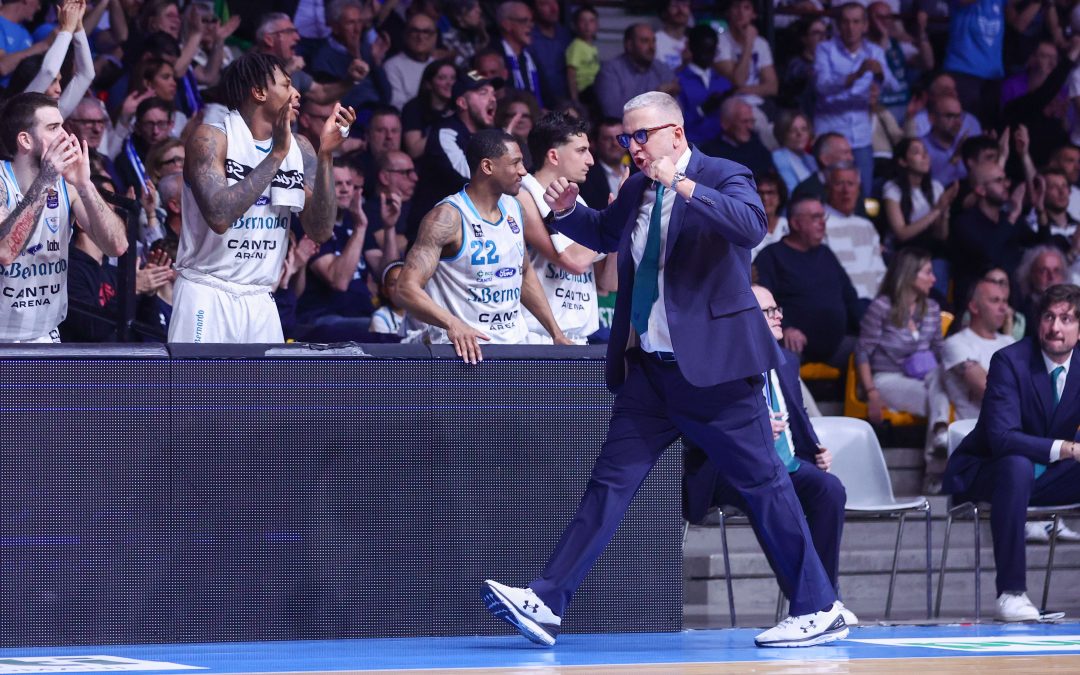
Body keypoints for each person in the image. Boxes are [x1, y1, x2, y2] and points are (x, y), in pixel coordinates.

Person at [481, 92, 848, 649]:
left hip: (718, 373)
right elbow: (606, 234)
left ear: (675, 134)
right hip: (650, 372)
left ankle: (819, 607)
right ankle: (548, 599)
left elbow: (751, 227)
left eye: (641, 136)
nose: (630, 147)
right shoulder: (636, 184)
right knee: (610, 483)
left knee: (765, 486)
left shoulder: (724, 173)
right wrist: (567, 213)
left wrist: (681, 183)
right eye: (625, 138)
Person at [684, 284, 854, 617]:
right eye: (769, 312)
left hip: (782, 464)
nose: (779, 317)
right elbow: (700, 430)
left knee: (828, 489)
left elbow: (797, 416)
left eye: (778, 309)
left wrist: (815, 451)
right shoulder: (720, 363)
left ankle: (827, 597)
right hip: (729, 470)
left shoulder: (786, 361)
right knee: (767, 490)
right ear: (744, 318)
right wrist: (751, 432)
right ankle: (808, 602)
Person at [170, 53, 353, 343]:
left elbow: (320, 229)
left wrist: (326, 155)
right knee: (197, 389)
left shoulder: (301, 148)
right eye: (287, 85)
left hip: (260, 298)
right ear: (259, 91)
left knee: (265, 390)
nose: (297, 93)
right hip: (207, 291)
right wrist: (276, 154)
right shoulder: (211, 138)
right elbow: (219, 216)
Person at [942, 283, 1080, 621]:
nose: (1055, 327)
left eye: (1066, 319)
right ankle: (1011, 594)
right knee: (1017, 464)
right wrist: (1065, 448)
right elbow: (1002, 437)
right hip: (989, 471)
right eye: (1049, 317)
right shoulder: (1010, 361)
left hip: (1048, 477)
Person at [394, 128, 571, 358]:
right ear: (487, 167)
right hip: (464, 352)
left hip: (514, 345)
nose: (523, 171)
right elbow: (405, 288)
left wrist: (555, 332)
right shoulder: (447, 217)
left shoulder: (515, 208)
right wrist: (452, 324)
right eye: (515, 163)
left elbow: (524, 273)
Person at [0, 92, 128, 343]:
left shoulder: (68, 186)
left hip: (46, 335)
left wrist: (84, 185)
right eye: (53, 127)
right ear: (25, 140)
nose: (66, 136)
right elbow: (5, 251)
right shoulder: (2, 182)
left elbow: (117, 246)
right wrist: (45, 180)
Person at [856, 247, 951, 461]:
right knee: (940, 402)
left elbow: (939, 350)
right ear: (909, 274)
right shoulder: (881, 307)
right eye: (928, 272)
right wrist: (871, 393)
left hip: (927, 378)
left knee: (941, 381)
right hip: (887, 378)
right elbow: (862, 352)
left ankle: (941, 431)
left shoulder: (933, 308)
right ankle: (936, 464)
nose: (934, 279)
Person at [517, 111, 601, 344]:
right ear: (553, 156)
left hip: (578, 336)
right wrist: (616, 223)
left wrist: (617, 227)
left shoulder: (579, 202)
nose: (591, 160)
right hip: (536, 337)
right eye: (581, 150)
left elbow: (608, 282)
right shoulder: (523, 197)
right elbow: (574, 261)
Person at [755, 195, 863, 367]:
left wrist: (868, 327)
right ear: (796, 224)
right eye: (815, 218)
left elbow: (849, 297)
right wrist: (786, 328)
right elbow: (761, 303)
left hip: (836, 344)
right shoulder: (771, 257)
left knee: (873, 350)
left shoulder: (825, 254)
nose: (822, 223)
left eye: (823, 216)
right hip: (793, 344)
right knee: (784, 358)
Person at [814, 2, 899, 198]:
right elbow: (822, 85)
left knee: (864, 195)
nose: (850, 27)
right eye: (845, 22)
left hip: (861, 137)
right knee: (830, 194)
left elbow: (894, 85)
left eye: (856, 21)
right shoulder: (825, 50)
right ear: (838, 25)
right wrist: (856, 75)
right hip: (831, 136)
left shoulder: (874, 51)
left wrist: (880, 76)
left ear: (865, 25)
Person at [942, 277, 1016, 420]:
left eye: (1004, 301)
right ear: (974, 307)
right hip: (971, 433)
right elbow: (990, 389)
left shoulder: (1009, 342)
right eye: (995, 301)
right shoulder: (956, 343)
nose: (1003, 308)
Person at [823, 163, 886, 301]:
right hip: (841, 302)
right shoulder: (819, 222)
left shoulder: (866, 226)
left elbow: (880, 272)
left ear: (858, 189)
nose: (846, 190)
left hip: (873, 305)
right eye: (839, 184)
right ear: (828, 188)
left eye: (851, 184)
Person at [593, 24, 678, 120]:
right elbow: (613, 112)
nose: (652, 47)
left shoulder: (661, 68)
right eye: (645, 41)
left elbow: (678, 110)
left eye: (653, 41)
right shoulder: (610, 70)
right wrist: (655, 97)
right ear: (629, 45)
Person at [677, 24, 732, 146]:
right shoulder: (678, 82)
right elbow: (675, 124)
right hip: (692, 145)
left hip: (722, 146)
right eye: (703, 49)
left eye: (712, 50)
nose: (708, 55)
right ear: (691, 48)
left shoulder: (723, 81)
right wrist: (702, 110)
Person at [703, 97, 775, 177]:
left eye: (752, 121)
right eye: (744, 121)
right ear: (725, 123)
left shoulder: (756, 143)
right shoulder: (711, 153)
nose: (750, 127)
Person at [402, 59, 456, 159]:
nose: (450, 83)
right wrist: (446, 125)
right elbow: (414, 150)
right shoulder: (414, 108)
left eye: (453, 78)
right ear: (429, 84)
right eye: (442, 78)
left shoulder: (459, 107)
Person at [384, 12, 437, 111]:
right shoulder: (393, 66)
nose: (420, 37)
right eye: (415, 31)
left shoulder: (437, 65)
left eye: (426, 32)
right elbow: (398, 106)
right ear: (405, 34)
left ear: (434, 37)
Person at [771, 110, 817, 194]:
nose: (800, 134)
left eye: (804, 129)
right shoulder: (778, 158)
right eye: (793, 130)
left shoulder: (811, 159)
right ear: (783, 134)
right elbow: (792, 191)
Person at [565, 4, 600, 104]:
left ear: (597, 25)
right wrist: (575, 100)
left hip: (594, 88)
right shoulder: (576, 46)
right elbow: (571, 74)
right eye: (582, 21)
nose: (587, 25)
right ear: (576, 25)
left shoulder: (593, 47)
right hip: (584, 92)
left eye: (591, 21)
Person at [750, 172, 788, 260]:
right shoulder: (747, 229)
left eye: (770, 193)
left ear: (780, 197)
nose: (765, 198)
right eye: (760, 193)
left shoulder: (790, 227)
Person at [370, 260, 406, 335]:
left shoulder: (423, 313)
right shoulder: (380, 318)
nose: (399, 287)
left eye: (404, 281)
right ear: (385, 291)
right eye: (393, 284)